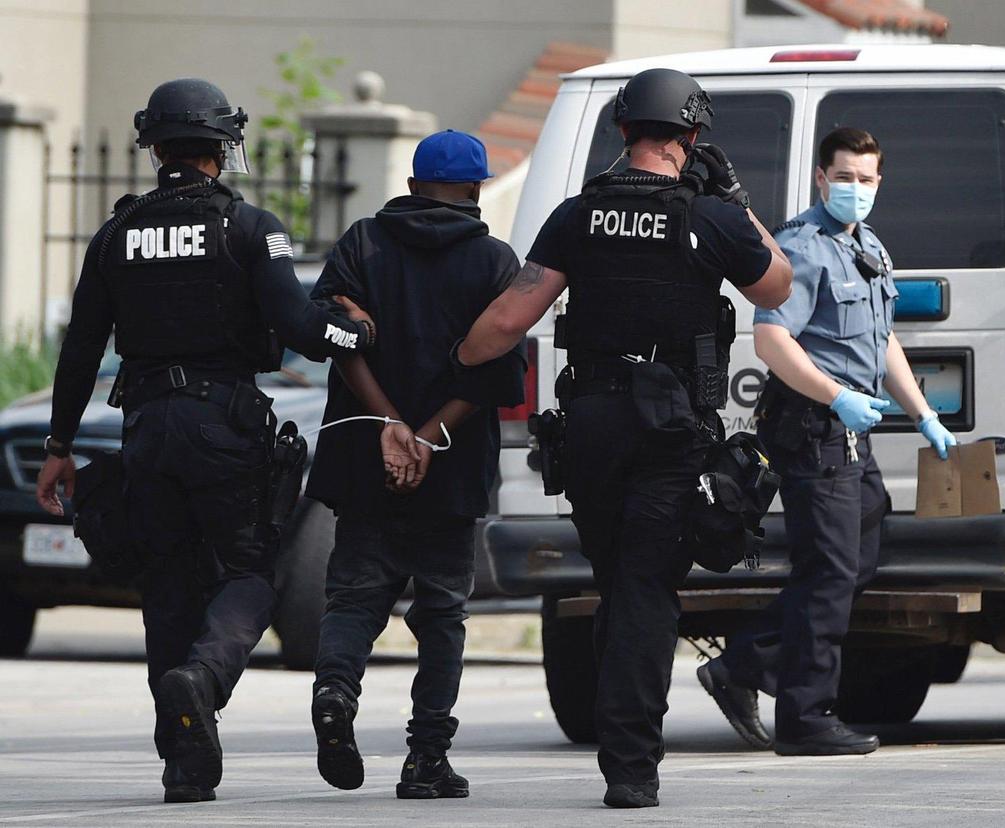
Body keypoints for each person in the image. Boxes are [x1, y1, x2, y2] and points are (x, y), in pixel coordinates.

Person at [453, 68, 792, 808]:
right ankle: (631, 765)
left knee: (618, 584)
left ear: (623, 130)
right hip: (668, 429)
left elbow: (508, 322)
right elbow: (778, 285)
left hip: (593, 428)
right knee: (644, 590)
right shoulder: (713, 217)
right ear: (693, 137)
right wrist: (735, 198)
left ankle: (622, 740)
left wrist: (450, 363)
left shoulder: (579, 216)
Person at [34, 78, 375, 804]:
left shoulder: (114, 235)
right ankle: (205, 679)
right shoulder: (249, 228)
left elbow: (79, 350)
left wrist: (60, 445)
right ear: (223, 147)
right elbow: (305, 334)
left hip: (145, 427)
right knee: (250, 572)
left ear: (153, 147)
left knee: (167, 581)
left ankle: (183, 763)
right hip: (223, 422)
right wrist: (359, 329)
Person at [698, 127, 957, 757]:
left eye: (867, 179)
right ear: (822, 178)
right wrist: (834, 395)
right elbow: (770, 339)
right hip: (814, 427)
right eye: (845, 177)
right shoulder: (803, 248)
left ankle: (744, 665)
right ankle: (806, 716)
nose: (857, 190)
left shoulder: (867, 246)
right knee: (830, 571)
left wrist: (923, 412)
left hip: (851, 435)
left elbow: (882, 339)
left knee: (860, 553)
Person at [304, 129, 526, 800]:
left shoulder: (361, 244)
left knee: (353, 597)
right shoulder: (493, 260)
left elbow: (333, 340)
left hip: (364, 455)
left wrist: (390, 425)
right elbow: (500, 370)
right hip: (450, 468)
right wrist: (427, 436)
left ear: (410, 185)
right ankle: (426, 759)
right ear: (476, 189)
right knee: (441, 612)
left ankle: (336, 694)